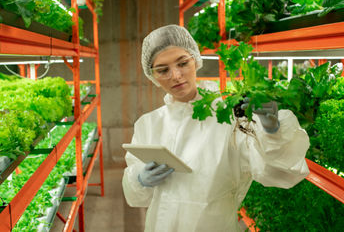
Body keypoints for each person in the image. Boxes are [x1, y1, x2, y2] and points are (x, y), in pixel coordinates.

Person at [122, 24, 309, 232]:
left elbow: (275, 172)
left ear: (196, 60)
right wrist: (139, 179)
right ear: (152, 75)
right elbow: (136, 195)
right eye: (163, 70)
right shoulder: (148, 124)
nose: (175, 75)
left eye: (182, 63)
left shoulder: (229, 117)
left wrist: (274, 132)